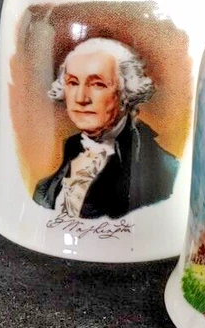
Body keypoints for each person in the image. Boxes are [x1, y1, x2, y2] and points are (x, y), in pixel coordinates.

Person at [32, 37, 177, 219]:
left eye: (98, 84)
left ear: (126, 93)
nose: (81, 98)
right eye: (73, 83)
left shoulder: (167, 172)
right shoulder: (60, 169)